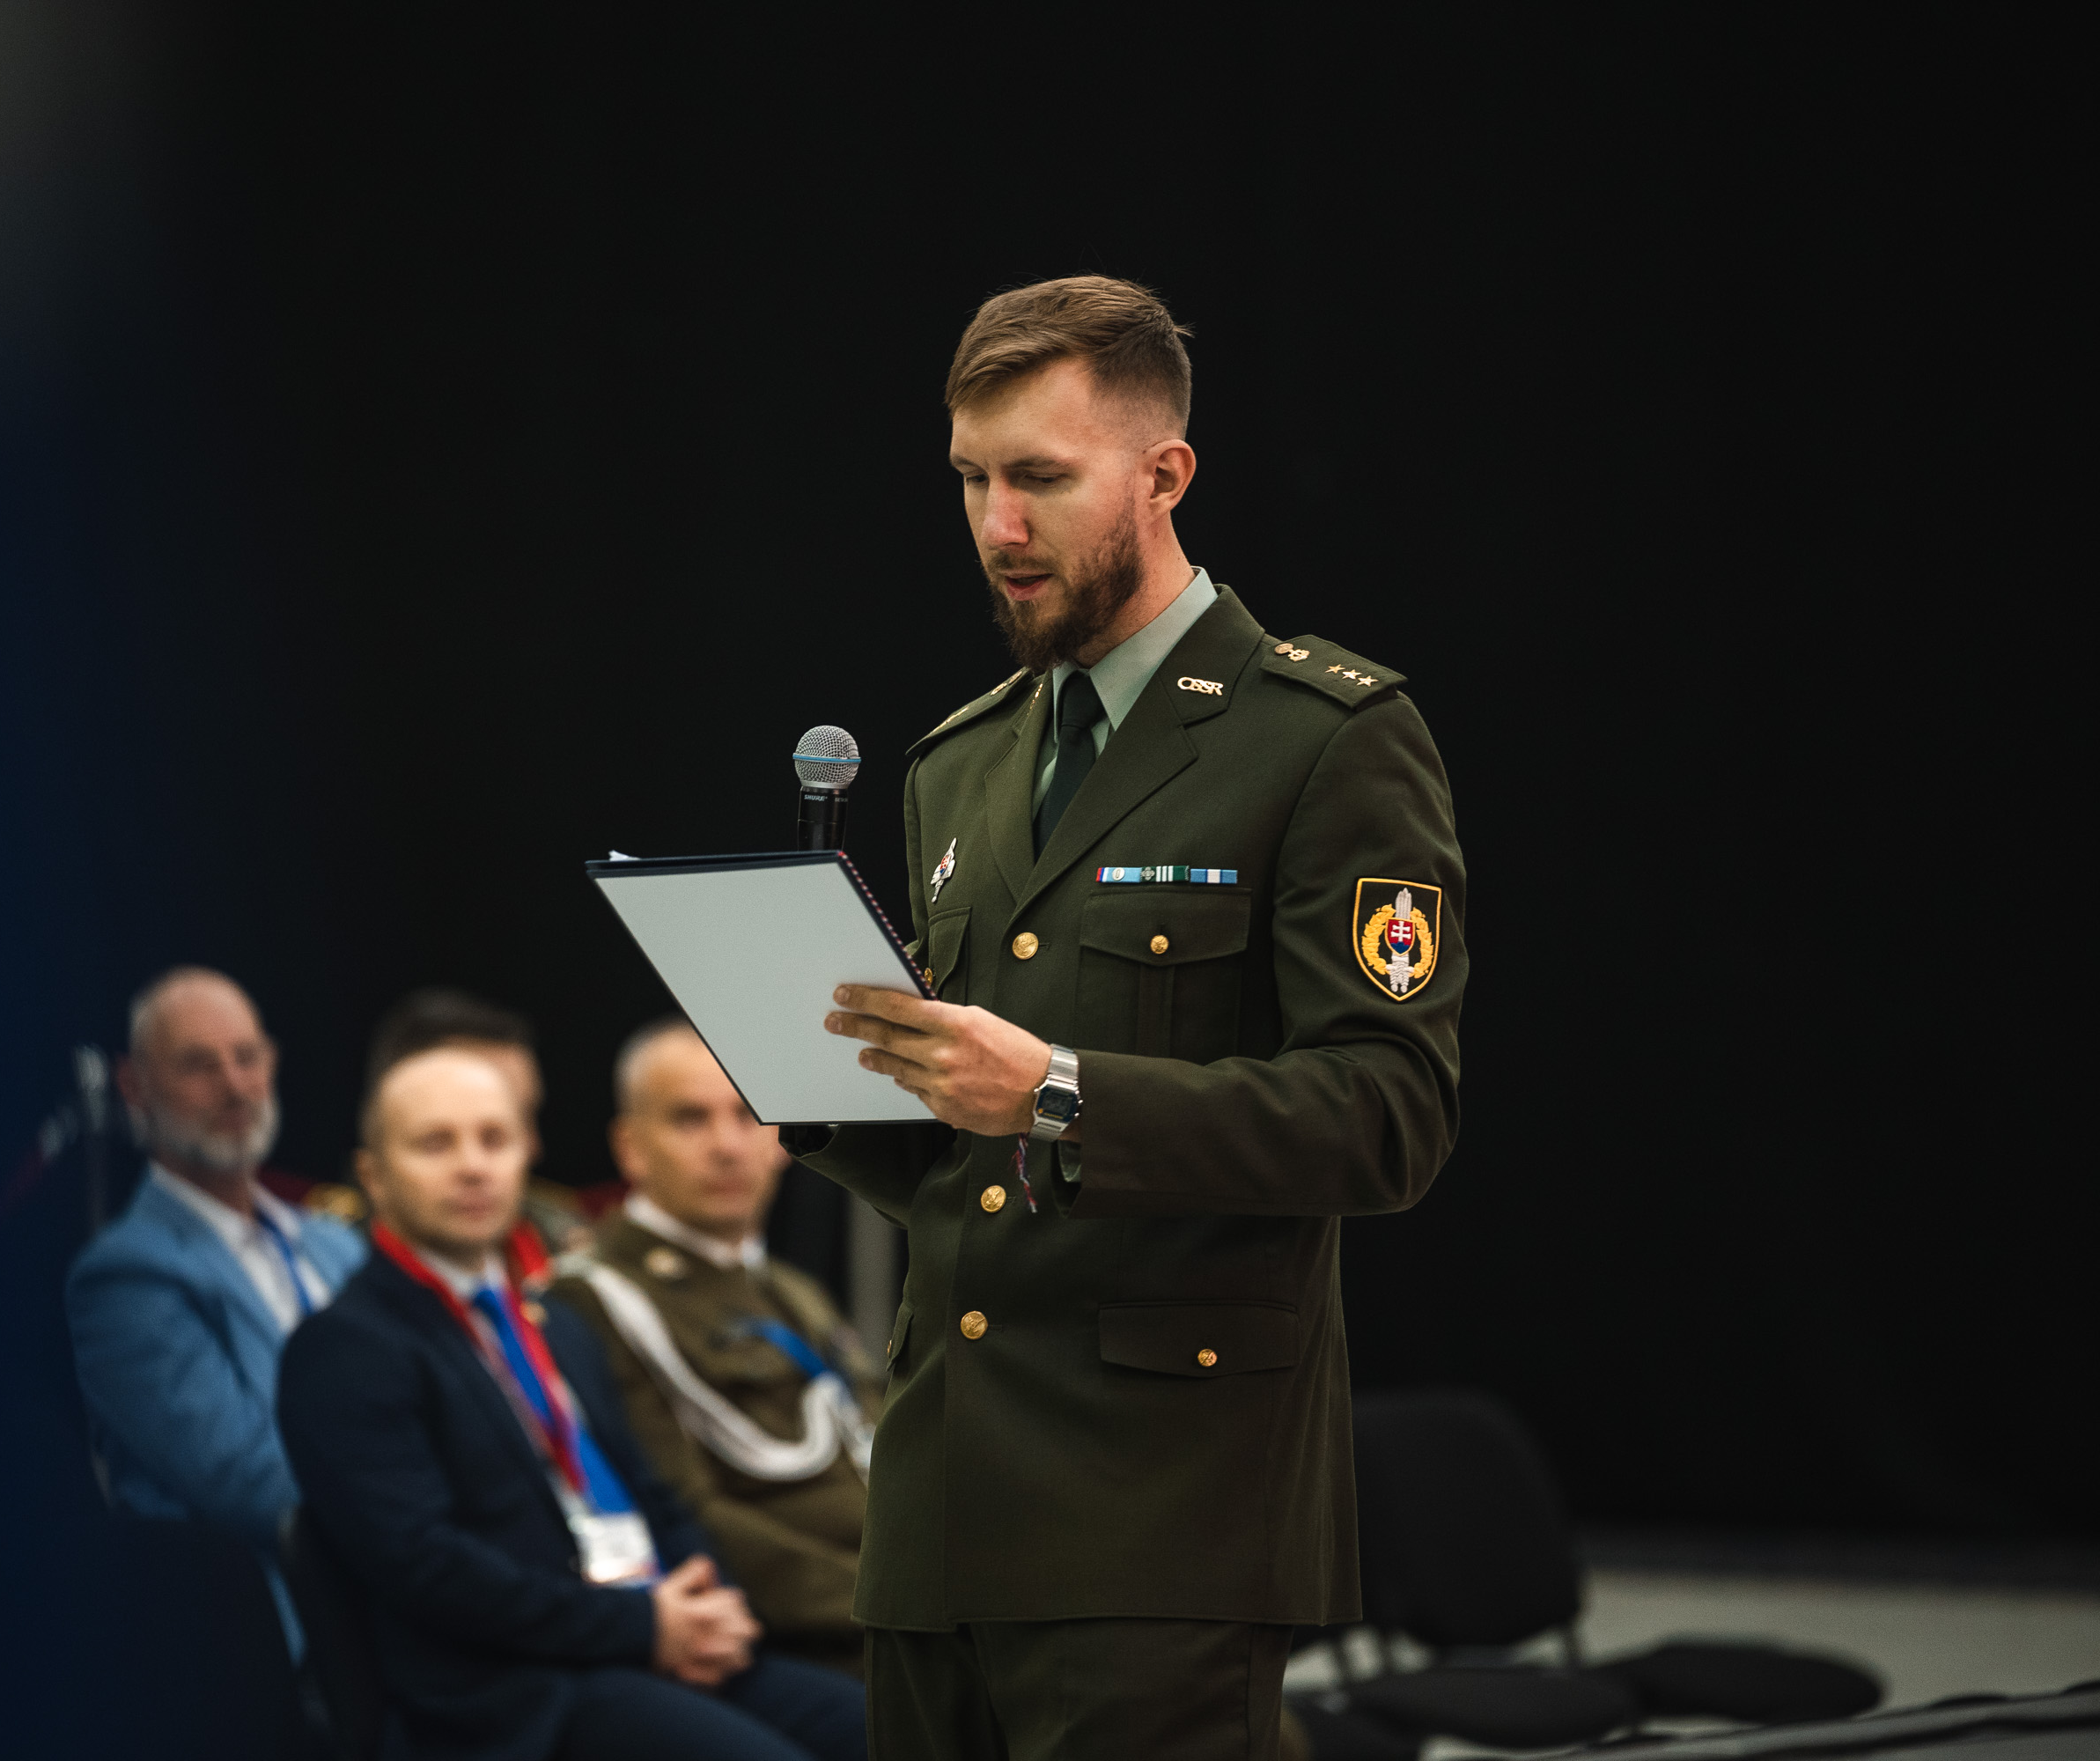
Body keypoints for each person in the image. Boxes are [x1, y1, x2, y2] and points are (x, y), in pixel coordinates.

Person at [799, 276, 1470, 1759]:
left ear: (1166, 475)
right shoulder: (962, 763)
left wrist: (1058, 1090)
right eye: (971, 479)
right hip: (941, 1510)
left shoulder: (1325, 739)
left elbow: (1389, 1116)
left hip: (1162, 1520)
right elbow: (963, 1174)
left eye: (1040, 478)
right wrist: (812, 1076)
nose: (997, 525)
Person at [277, 1044, 865, 1761]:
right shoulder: (346, 1348)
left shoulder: (553, 1322)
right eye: (436, 1143)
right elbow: (429, 1569)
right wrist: (642, 1628)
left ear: (527, 1154)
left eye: (494, 1139)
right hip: (515, 1692)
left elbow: (655, 1494)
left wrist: (710, 1605)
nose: (472, 1166)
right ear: (373, 1174)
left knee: (889, 1730)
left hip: (640, 1642)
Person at [548, 1018, 879, 1672]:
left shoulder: (792, 1290)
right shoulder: (593, 1299)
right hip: (796, 1640)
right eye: (690, 1119)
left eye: (748, 1115)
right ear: (630, 1147)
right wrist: (890, 1604)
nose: (727, 1146)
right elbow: (693, 1513)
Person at [66, 966, 369, 1651]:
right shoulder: (124, 1276)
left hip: (421, 1588)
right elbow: (249, 1481)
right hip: (297, 1630)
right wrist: (422, 1510)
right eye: (199, 1066)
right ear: (133, 1086)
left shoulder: (337, 1244)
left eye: (246, 1057)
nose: (234, 1086)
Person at [363, 985, 596, 1254]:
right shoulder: (333, 1259)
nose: (532, 1148)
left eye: (497, 1134)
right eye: (437, 1141)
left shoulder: (559, 1234)